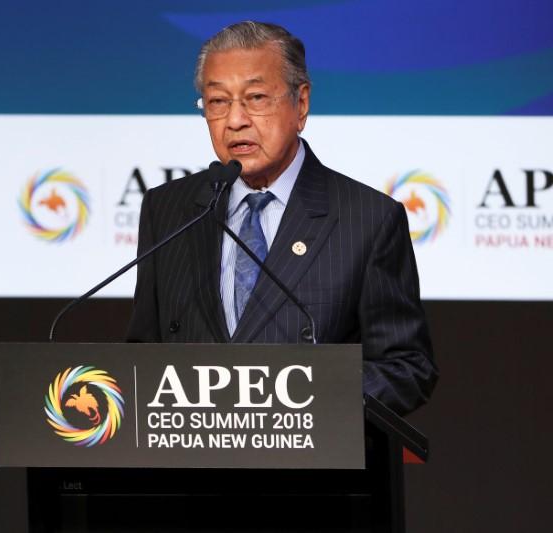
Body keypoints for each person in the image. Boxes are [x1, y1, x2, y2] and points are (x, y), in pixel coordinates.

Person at [126, 21, 437, 415]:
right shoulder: (168, 210)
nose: (235, 120)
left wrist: (308, 400)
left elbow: (406, 366)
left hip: (311, 468)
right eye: (218, 101)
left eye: (255, 98)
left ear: (301, 104)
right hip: (196, 468)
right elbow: (142, 355)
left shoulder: (367, 219)